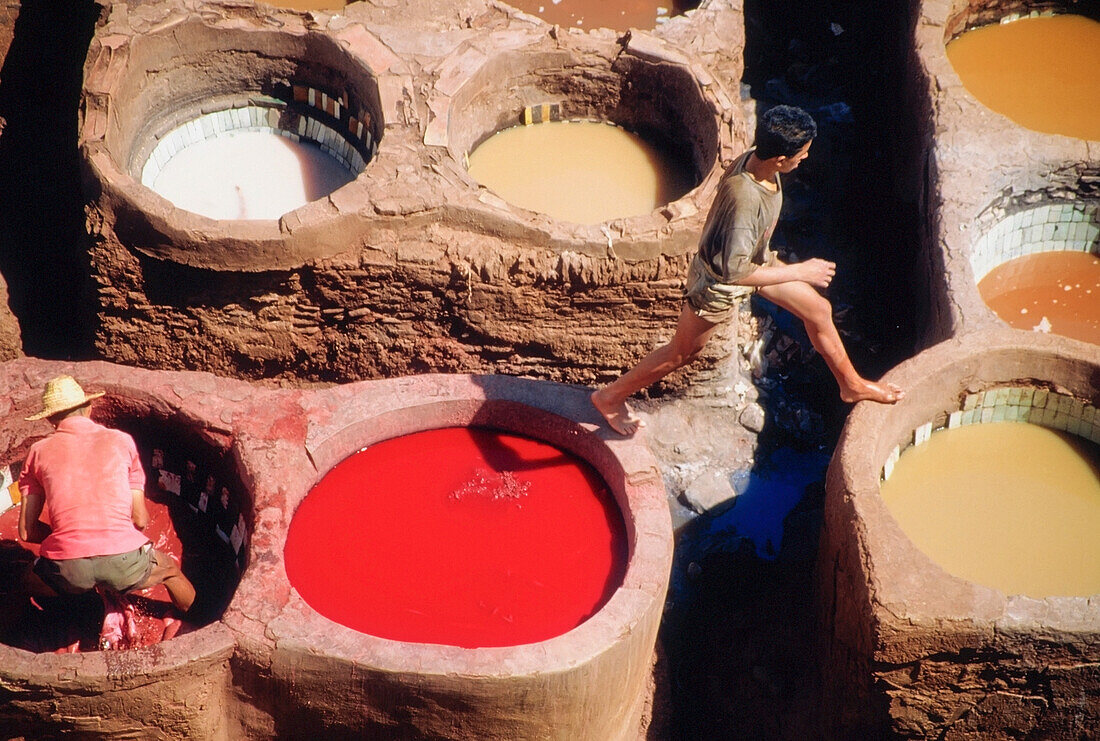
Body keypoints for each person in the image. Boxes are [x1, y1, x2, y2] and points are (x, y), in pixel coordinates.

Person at [591, 105, 904, 435]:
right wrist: (801, 271)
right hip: (717, 284)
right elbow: (734, 274)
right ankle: (609, 397)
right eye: (802, 153)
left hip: (753, 261)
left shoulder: (759, 160)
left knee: (817, 310)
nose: (805, 158)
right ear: (780, 160)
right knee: (681, 353)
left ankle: (851, 385)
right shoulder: (745, 202)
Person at [18, 375, 195, 613]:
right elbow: (140, 520)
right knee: (171, 571)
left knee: (25, 582)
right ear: (89, 409)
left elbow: (27, 532)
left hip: (68, 571)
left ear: (51, 419)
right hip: (124, 564)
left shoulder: (37, 452)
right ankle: (197, 621)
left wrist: (66, 538)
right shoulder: (121, 441)